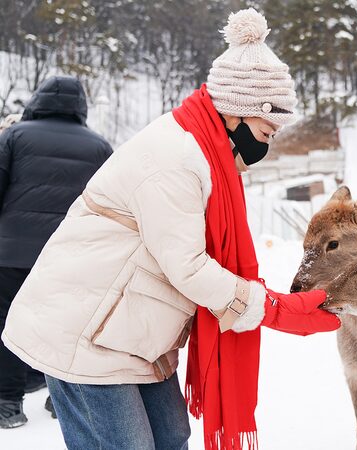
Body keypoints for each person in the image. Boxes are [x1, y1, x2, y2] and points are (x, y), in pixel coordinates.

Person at [2, 9, 339, 450]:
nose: (266, 146)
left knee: (171, 437)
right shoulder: (175, 159)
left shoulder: (208, 156)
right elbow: (190, 268)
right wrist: (277, 309)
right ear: (236, 115)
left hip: (134, 332)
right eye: (266, 131)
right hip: (87, 332)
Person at [0, 77, 113, 429]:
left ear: (38, 100)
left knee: (7, 324)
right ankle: (57, 398)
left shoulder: (13, 136)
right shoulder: (100, 147)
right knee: (62, 326)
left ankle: (7, 403)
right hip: (70, 257)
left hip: (11, 252)